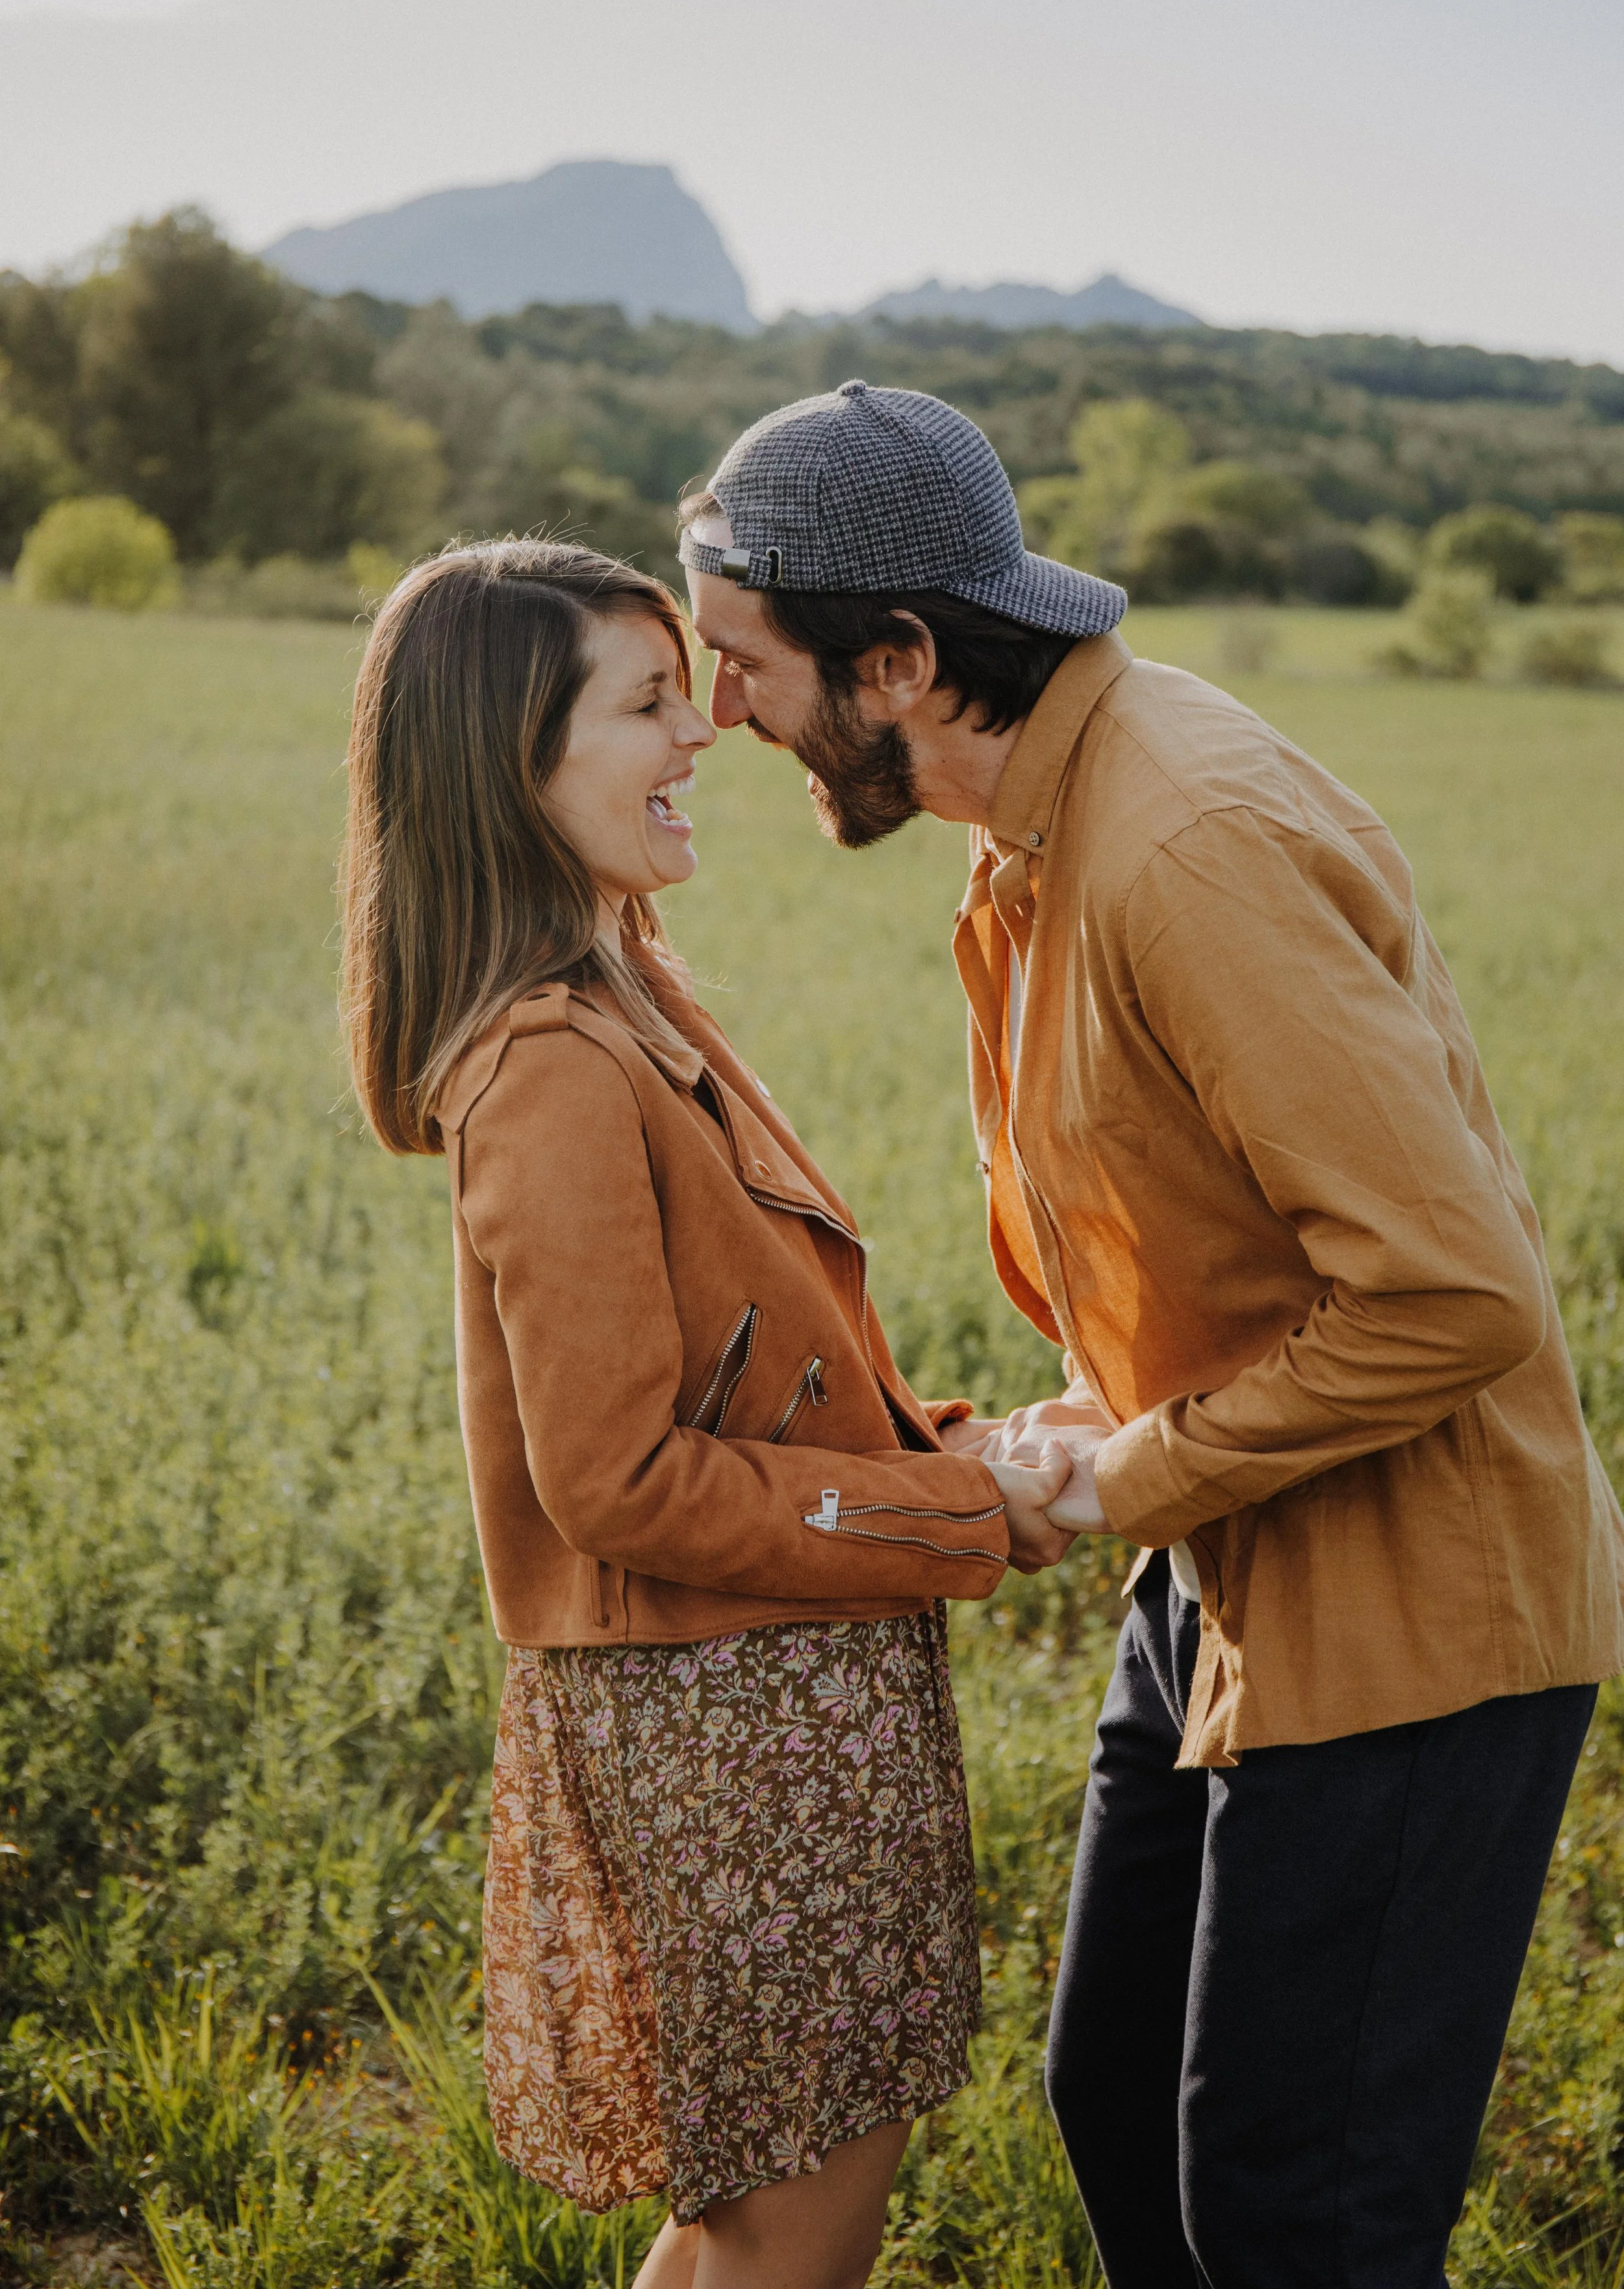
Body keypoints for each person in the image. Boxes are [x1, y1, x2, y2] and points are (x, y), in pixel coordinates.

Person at [681, 381, 1624, 2289]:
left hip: (1407, 1612)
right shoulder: (1028, 819)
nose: (717, 712)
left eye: (740, 661)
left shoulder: (1180, 845)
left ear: (901, 658)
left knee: (1296, 2220)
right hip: (1227, 1560)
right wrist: (1103, 1416)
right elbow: (1228, 1220)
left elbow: (1446, 1293)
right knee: (1119, 2098)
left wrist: (1121, 1472)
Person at [338, 537, 1071, 2289]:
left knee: (766, 2209)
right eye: (651, 701)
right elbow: (616, 1476)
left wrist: (952, 1446)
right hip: (718, 1712)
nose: (705, 732)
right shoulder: (548, 1065)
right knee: (788, 2222)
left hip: (776, 1683)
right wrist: (965, 1517)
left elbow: (754, 1356)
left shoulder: (630, 992)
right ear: (515, 761)